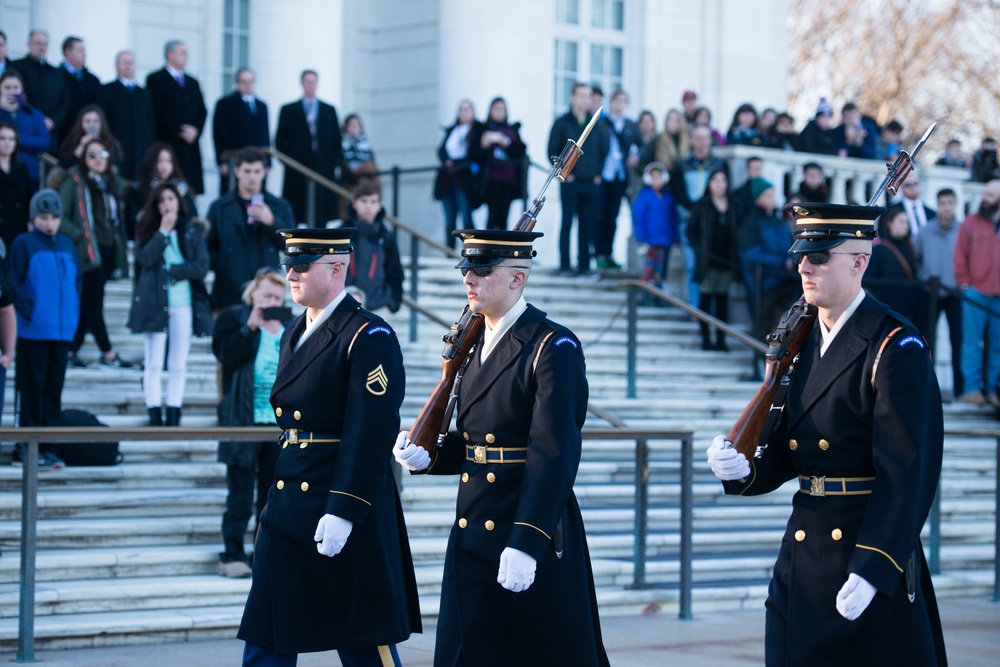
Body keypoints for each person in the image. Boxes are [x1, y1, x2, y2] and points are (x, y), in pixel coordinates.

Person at [707, 203, 947, 667]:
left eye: (820, 257)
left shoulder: (895, 344)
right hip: (803, 552)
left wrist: (876, 566)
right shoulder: (800, 342)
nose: (803, 266)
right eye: (801, 255)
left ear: (860, 262)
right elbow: (790, 449)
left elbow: (908, 471)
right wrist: (745, 468)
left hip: (866, 549)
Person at [393, 228, 610, 667]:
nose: (469, 279)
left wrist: (528, 540)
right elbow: (478, 443)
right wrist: (431, 455)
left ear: (518, 279)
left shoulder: (552, 346)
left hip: (525, 525)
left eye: (482, 270)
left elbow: (554, 452)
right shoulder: (472, 345)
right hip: (473, 526)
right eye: (466, 270)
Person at [237, 227, 421, 665]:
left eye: (302, 266)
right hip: (289, 499)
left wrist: (344, 508)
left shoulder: (367, 335)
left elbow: (371, 431)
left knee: (362, 638)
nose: (292, 275)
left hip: (340, 502)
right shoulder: (294, 331)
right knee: (269, 630)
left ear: (337, 268)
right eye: (289, 266)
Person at [213, 267, 293, 579]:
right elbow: (226, 359)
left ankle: (265, 552)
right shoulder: (234, 319)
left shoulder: (292, 326)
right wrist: (250, 327)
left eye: (277, 296)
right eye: (266, 296)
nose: (271, 301)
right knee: (240, 495)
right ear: (253, 296)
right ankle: (232, 553)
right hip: (242, 421)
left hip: (279, 426)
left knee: (272, 495)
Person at [127, 182, 212, 427]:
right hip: (154, 303)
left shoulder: (191, 230)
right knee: (153, 362)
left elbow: (201, 266)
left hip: (183, 304)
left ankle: (174, 411)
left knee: (177, 362)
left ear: (179, 202)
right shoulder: (147, 229)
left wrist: (172, 272)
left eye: (171, 199)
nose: (167, 205)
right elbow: (145, 258)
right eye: (162, 200)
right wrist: (162, 233)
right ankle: (154, 412)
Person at [9, 189, 79, 468]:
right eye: (43, 217)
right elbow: (13, 281)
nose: (49, 223)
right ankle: (26, 447)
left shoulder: (67, 245)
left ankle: (49, 446)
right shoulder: (23, 243)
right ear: (33, 218)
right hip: (33, 331)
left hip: (61, 333)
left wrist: (72, 319)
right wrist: (29, 311)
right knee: (31, 390)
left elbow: (76, 284)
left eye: (54, 217)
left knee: (53, 390)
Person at [53, 138, 131, 369]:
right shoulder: (74, 181)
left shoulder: (110, 183)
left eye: (103, 155)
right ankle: (108, 353)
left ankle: (70, 351)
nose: (98, 160)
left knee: (89, 304)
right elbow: (62, 216)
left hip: (106, 252)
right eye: (92, 155)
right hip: (87, 252)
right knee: (93, 306)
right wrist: (78, 235)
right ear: (83, 159)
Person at [206, 147, 293, 310]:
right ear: (237, 171)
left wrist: (272, 221)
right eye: (247, 171)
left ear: (265, 172)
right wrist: (224, 264)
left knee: (268, 335)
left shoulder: (279, 206)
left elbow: (292, 245)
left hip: (268, 290)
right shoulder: (219, 207)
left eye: (256, 171)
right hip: (229, 290)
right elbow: (207, 248)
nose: (252, 177)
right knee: (228, 334)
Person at [548, 83, 610, 277]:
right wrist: (565, 172)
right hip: (571, 182)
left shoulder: (597, 125)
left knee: (587, 226)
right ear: (572, 97)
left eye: (588, 96)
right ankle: (565, 266)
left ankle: (584, 266)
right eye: (581, 95)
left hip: (591, 183)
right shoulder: (562, 123)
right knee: (567, 224)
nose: (584, 100)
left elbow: (604, 150)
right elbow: (552, 150)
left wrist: (598, 173)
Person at [274, 70, 342, 227]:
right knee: (295, 211)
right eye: (307, 81)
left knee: (321, 212)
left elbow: (336, 141)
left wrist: (333, 162)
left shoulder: (329, 110)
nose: (310, 85)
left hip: (323, 168)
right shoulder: (289, 110)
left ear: (317, 84)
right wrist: (288, 162)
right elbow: (279, 139)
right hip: (297, 169)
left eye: (313, 82)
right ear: (302, 83)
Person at [953, 179, 1000, 406]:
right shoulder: (970, 222)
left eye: (991, 195)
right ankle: (972, 389)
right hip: (976, 293)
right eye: (985, 193)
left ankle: (992, 390)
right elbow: (960, 253)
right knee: (971, 342)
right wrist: (964, 282)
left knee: (998, 345)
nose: (985, 198)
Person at [915, 188, 963, 397]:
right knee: (927, 340)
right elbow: (916, 257)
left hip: (955, 294)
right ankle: (927, 387)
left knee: (958, 341)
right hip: (930, 294)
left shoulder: (963, 231)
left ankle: (961, 389)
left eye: (950, 203)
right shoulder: (925, 231)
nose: (946, 207)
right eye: (942, 203)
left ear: (955, 204)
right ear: (937, 204)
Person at [738, 177, 799, 337]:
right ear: (757, 199)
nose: (772, 199)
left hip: (786, 278)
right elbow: (752, 254)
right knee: (765, 325)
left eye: (773, 194)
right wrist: (782, 262)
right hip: (767, 282)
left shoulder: (779, 222)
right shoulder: (751, 224)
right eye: (767, 195)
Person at [687, 168, 740, 351]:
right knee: (706, 300)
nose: (719, 184)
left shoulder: (734, 205)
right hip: (707, 262)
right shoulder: (702, 205)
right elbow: (690, 230)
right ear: (709, 184)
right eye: (715, 180)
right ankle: (705, 339)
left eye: (723, 180)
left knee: (722, 302)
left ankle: (720, 340)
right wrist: (699, 250)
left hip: (726, 261)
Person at [146, 40, 208, 194]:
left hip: (190, 145)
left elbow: (202, 110)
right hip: (168, 142)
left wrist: (195, 130)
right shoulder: (155, 79)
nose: (186, 57)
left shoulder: (193, 82)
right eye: (182, 53)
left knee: (190, 187)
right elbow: (156, 110)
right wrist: (179, 130)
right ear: (170, 55)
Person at [596, 90, 641, 269]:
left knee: (613, 215)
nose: (620, 104)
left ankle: (609, 253)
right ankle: (599, 253)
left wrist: (635, 155)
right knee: (600, 215)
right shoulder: (602, 123)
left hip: (620, 176)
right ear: (611, 102)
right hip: (604, 175)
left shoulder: (630, 125)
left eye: (623, 101)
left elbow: (640, 145)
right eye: (617, 100)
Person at [343, 181, 403, 313]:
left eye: (373, 201)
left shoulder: (386, 237)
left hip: (378, 306)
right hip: (344, 305)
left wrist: (393, 301)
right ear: (354, 203)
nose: (368, 206)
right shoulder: (342, 233)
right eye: (363, 201)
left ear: (379, 205)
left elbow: (395, 273)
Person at [469, 97, 526, 232]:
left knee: (504, 216)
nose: (499, 112)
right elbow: (474, 154)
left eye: (502, 109)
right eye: (496, 109)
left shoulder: (512, 130)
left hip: (509, 179)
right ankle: (489, 250)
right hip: (491, 179)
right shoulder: (483, 129)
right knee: (492, 214)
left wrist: (506, 142)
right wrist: (484, 143)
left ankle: (502, 250)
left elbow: (521, 151)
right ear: (491, 110)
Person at [864, 208, 924, 333]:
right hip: (889, 308)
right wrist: (885, 296)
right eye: (901, 222)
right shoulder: (880, 249)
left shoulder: (909, 247)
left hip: (909, 308)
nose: (905, 226)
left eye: (907, 222)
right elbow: (868, 279)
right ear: (890, 224)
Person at [99, 50, 156, 181]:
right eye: (124, 62)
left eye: (131, 62)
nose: (128, 65)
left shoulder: (143, 93)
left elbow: (150, 123)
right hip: (116, 151)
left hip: (141, 152)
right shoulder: (107, 91)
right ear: (117, 66)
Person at [213, 67, 270, 196]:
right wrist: (222, 161)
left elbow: (265, 134)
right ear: (237, 83)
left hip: (258, 160)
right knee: (233, 194)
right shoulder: (225, 104)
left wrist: (268, 162)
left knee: (258, 194)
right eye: (244, 82)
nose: (248, 85)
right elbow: (219, 134)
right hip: (234, 160)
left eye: (250, 81)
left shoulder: (262, 106)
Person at [124, 141, 197, 240]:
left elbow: (192, 219)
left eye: (168, 161)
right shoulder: (138, 190)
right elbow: (133, 224)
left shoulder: (182, 190)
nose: (164, 166)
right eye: (159, 161)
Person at [11, 30, 68, 152]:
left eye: (45, 44)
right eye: (38, 43)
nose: (42, 47)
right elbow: (16, 96)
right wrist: (35, 119)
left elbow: (65, 101)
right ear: (29, 44)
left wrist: (53, 121)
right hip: (25, 129)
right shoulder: (16, 67)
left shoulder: (56, 72)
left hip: (50, 131)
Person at [435, 99, 480, 248]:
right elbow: (441, 151)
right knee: (449, 217)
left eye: (467, 109)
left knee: (466, 215)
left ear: (473, 112)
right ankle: (450, 250)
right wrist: (447, 161)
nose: (464, 113)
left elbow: (475, 154)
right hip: (448, 179)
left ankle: (472, 249)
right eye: (461, 109)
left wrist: (458, 163)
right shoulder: (452, 130)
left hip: (465, 179)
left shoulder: (477, 130)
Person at [630, 162, 679, 293]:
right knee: (649, 268)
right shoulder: (644, 197)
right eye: (653, 177)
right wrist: (641, 240)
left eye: (659, 177)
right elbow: (638, 220)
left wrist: (676, 240)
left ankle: (657, 295)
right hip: (650, 242)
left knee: (660, 271)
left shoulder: (669, 197)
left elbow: (673, 220)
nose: (656, 180)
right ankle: (646, 294)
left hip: (665, 241)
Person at [0, 70, 51, 186]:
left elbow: (44, 143)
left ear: (22, 90)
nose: (12, 92)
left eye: (15, 88)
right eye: (7, 88)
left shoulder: (34, 114)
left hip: (28, 176)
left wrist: (15, 139)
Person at [58, 37, 101, 145]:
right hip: (63, 135)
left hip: (88, 136)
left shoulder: (93, 80)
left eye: (84, 50)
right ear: (68, 52)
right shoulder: (55, 77)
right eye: (80, 50)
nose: (84, 54)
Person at [57, 104, 124, 168]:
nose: (92, 125)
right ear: (81, 123)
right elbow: (64, 167)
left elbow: (115, 168)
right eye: (87, 121)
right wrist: (81, 145)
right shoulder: (71, 141)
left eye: (95, 121)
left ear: (101, 123)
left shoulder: (111, 144)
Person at [0, 121, 30, 252]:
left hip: (19, 227)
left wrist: (30, 221)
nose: (7, 143)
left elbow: (29, 197)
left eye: (11, 139)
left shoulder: (22, 169)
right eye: (2, 138)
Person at [892, 170, 936, 240]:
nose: (912, 187)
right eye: (908, 185)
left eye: (915, 183)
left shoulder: (932, 213)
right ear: (901, 187)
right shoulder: (892, 210)